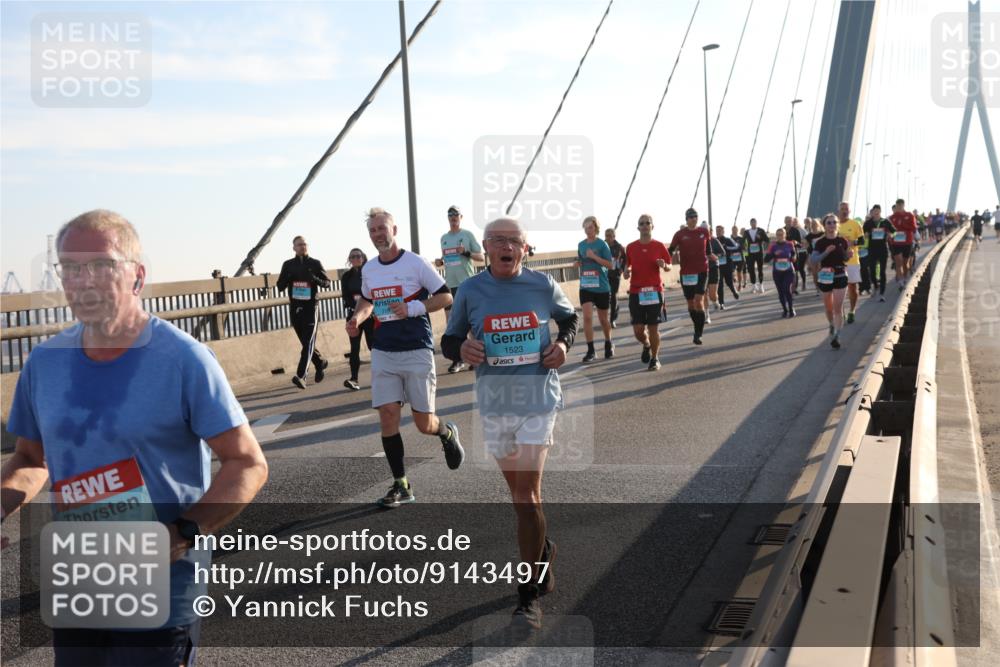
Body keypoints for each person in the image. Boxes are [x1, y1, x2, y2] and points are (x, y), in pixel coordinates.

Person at [1, 209, 269, 666]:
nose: (83, 279)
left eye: (102, 265)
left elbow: (248, 463)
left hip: (161, 589)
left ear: (137, 276)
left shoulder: (184, 359)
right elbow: (30, 458)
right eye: (70, 267)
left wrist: (183, 532)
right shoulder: (44, 364)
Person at [442, 217, 577, 632]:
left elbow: (568, 319)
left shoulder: (542, 285)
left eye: (512, 241)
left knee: (527, 495)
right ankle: (542, 548)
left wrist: (562, 345)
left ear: (525, 248)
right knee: (519, 500)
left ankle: (527, 597)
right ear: (484, 248)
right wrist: (462, 346)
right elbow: (449, 339)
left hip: (538, 400)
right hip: (495, 403)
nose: (505, 246)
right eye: (497, 241)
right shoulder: (470, 290)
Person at [346, 208, 465, 507]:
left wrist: (412, 308)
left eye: (381, 229)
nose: (377, 235)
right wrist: (357, 318)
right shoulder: (370, 269)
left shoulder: (416, 263)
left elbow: (445, 296)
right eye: (372, 231)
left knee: (424, 424)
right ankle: (401, 483)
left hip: (416, 348)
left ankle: (447, 431)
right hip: (384, 350)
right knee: (388, 415)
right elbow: (367, 300)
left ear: (394, 229)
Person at [276, 235, 331, 389]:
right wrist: (288, 277)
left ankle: (301, 376)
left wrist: (315, 280)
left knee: (308, 342)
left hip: (311, 307)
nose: (302, 247)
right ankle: (320, 362)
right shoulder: (287, 265)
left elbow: (327, 283)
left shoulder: (315, 263)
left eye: (304, 244)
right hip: (295, 308)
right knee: (305, 342)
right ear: (293, 248)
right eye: (299, 245)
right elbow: (280, 286)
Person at [435, 205, 484, 373]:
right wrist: (440, 262)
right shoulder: (444, 238)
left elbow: (481, 257)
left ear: (461, 217)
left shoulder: (467, 235)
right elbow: (446, 258)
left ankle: (477, 357)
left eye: (456, 215)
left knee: (470, 323)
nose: (453, 218)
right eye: (450, 215)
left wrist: (467, 253)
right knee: (451, 324)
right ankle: (458, 359)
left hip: (467, 284)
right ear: (447, 218)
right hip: (450, 285)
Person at [623, 213, 672, 370]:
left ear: (652, 226)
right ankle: (646, 344)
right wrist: (626, 272)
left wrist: (664, 265)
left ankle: (655, 358)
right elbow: (627, 266)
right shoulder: (630, 247)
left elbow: (670, 265)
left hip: (654, 291)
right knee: (638, 330)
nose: (644, 225)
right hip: (636, 292)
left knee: (653, 328)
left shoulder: (659, 246)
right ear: (638, 227)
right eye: (641, 223)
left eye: (647, 223)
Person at [669, 208, 714, 345]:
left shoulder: (704, 232)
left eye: (695, 216)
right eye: (691, 217)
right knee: (690, 304)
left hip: (702, 270)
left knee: (698, 300)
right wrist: (663, 261)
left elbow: (708, 250)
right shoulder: (680, 234)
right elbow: (670, 250)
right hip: (686, 273)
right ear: (686, 219)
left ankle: (698, 333)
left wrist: (714, 258)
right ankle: (697, 326)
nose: (694, 218)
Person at [574, 216, 614, 362]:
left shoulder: (602, 244)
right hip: (586, 285)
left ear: (596, 228)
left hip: (602, 286)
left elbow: (610, 265)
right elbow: (581, 259)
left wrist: (594, 257)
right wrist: (577, 263)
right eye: (585, 227)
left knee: (604, 319)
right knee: (587, 317)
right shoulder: (581, 245)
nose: (587, 230)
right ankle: (591, 350)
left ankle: (608, 342)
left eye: (590, 227)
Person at [815, 213, 853, 349]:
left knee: (837, 308)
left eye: (834, 222)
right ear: (824, 226)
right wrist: (825, 252)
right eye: (829, 223)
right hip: (825, 276)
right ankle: (831, 324)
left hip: (840, 275)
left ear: (838, 225)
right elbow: (814, 260)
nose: (832, 225)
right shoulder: (819, 242)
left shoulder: (842, 240)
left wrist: (848, 255)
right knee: (829, 308)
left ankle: (837, 335)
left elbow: (844, 258)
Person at [341, 248, 374, 391]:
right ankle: (354, 378)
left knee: (374, 346)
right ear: (349, 260)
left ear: (363, 257)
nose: (355, 259)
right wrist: (355, 308)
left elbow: (372, 292)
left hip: (369, 315)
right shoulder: (346, 276)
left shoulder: (369, 272)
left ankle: (384, 375)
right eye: (353, 257)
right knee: (354, 348)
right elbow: (345, 296)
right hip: (353, 315)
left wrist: (365, 306)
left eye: (358, 256)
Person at [836, 202, 864, 324]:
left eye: (846, 209)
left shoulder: (855, 224)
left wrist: (853, 243)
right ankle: (840, 313)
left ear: (849, 211)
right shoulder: (833, 225)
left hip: (852, 261)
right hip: (837, 261)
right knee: (838, 289)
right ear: (839, 211)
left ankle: (852, 311)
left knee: (852, 288)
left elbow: (862, 240)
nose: (844, 211)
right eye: (842, 209)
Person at [863, 205, 895, 302]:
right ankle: (875, 286)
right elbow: (863, 235)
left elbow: (895, 232)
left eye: (878, 210)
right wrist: (866, 235)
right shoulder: (868, 223)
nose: (876, 212)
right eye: (874, 211)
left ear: (880, 211)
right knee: (872, 272)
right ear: (872, 212)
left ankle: (882, 294)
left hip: (882, 249)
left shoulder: (885, 222)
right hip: (872, 249)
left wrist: (891, 235)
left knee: (882, 272)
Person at [764, 228, 798, 317]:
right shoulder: (773, 245)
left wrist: (793, 257)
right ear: (776, 236)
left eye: (781, 234)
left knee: (787, 289)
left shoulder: (789, 244)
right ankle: (785, 310)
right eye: (778, 234)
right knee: (780, 291)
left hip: (788, 270)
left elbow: (794, 254)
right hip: (777, 272)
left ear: (785, 235)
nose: (780, 236)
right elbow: (766, 259)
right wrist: (774, 254)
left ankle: (791, 309)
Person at [890, 199, 919, 290]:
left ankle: (905, 277)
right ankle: (901, 282)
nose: (899, 207)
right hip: (896, 243)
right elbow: (889, 230)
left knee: (905, 263)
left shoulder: (909, 215)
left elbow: (914, 227)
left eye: (900, 206)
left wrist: (904, 226)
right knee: (898, 262)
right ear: (896, 206)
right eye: (897, 206)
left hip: (907, 242)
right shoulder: (892, 217)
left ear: (903, 205)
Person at [604, 227, 626, 327]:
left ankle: (612, 319)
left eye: (610, 236)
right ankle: (612, 311)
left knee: (613, 296)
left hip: (615, 275)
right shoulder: (602, 245)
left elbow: (625, 259)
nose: (608, 238)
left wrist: (622, 268)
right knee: (605, 297)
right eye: (606, 236)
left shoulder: (619, 247)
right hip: (604, 275)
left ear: (614, 236)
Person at [715, 225, 740, 308]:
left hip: (727, 264)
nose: (718, 232)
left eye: (719, 231)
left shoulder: (727, 240)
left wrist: (726, 248)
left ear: (723, 231)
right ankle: (721, 303)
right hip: (718, 266)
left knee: (729, 282)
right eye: (717, 230)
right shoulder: (714, 241)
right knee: (720, 284)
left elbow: (736, 247)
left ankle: (734, 291)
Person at [742, 218, 769, 293]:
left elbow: (767, 240)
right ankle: (754, 286)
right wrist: (744, 248)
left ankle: (761, 285)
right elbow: (743, 241)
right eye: (752, 223)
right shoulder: (746, 232)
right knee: (751, 270)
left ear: (756, 223)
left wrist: (762, 238)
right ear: (750, 224)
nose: (753, 224)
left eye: (754, 222)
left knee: (760, 269)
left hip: (759, 252)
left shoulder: (761, 231)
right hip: (750, 254)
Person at [805, 218, 825, 293]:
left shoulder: (822, 234)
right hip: (812, 255)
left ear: (818, 224)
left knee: (820, 270)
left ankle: (822, 286)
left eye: (815, 224)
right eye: (812, 224)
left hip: (821, 254)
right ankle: (817, 288)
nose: (813, 225)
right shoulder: (809, 236)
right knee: (814, 273)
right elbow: (806, 246)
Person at [730, 224, 747, 291]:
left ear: (737, 230)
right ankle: (734, 278)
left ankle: (740, 284)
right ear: (731, 230)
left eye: (735, 230)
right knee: (732, 270)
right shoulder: (729, 239)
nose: (734, 231)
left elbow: (745, 248)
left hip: (740, 258)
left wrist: (741, 247)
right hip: (732, 258)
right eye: (733, 230)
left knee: (739, 272)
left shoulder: (741, 239)